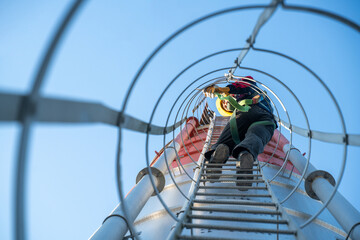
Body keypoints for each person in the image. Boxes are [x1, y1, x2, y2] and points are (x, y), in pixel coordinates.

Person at [202, 76, 277, 189]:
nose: (226, 104)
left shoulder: (245, 89)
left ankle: (218, 153)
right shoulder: (262, 96)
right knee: (255, 136)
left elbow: (244, 84)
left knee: (227, 139)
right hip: (266, 118)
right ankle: (245, 154)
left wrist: (222, 90)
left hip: (243, 113)